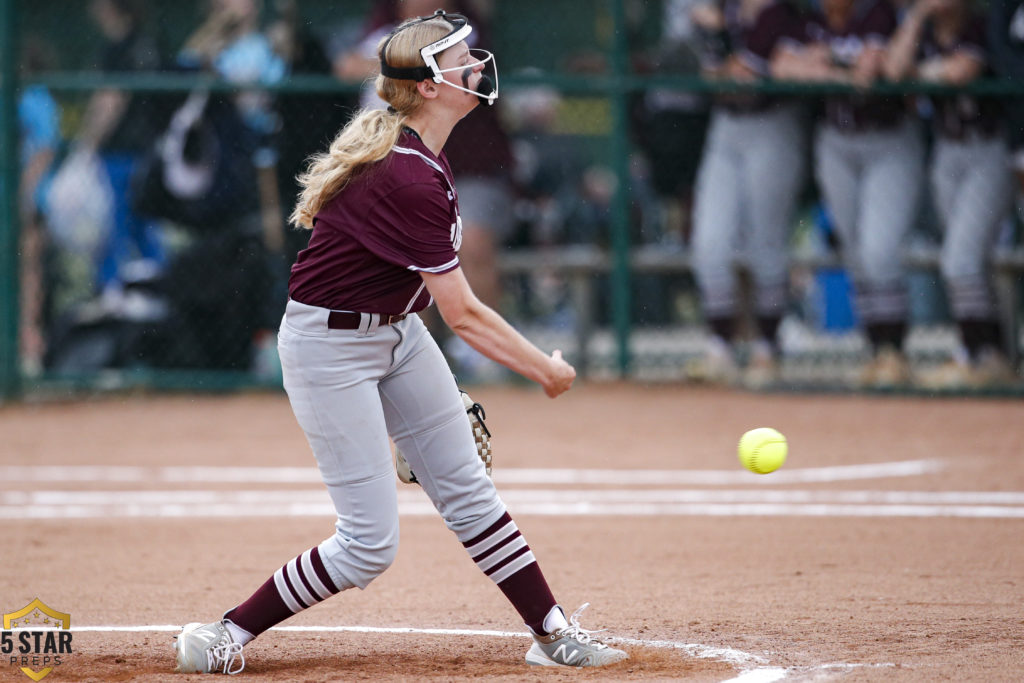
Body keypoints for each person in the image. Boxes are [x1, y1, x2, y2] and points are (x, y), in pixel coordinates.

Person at [173, 11, 629, 674]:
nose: (476, 67)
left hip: (396, 332)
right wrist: (544, 370)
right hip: (328, 347)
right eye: (461, 62)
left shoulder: (422, 156)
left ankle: (553, 633)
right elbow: (466, 315)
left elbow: (438, 306)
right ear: (430, 87)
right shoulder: (408, 173)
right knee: (367, 546)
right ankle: (227, 633)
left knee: (468, 490)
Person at [335, 0, 516, 382]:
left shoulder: (463, 29)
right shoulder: (380, 27)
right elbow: (346, 66)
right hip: (396, 169)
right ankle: (423, 360)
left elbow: (439, 67)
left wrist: (385, 67)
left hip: (469, 167)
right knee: (402, 258)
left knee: (474, 245)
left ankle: (485, 358)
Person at [775, 0, 925, 388]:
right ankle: (877, 351)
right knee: (856, 252)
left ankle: (894, 351)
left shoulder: (877, 13)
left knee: (880, 248)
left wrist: (826, 67)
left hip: (888, 140)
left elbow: (872, 69)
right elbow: (782, 66)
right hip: (837, 143)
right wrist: (835, 69)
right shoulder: (811, 21)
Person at [884, 0, 1017, 388]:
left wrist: (920, 74)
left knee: (961, 257)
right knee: (963, 258)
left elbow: (963, 70)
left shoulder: (978, 26)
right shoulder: (924, 31)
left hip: (988, 149)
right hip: (947, 151)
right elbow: (894, 72)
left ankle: (977, 353)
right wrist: (915, 17)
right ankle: (987, 354)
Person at [686, 0, 810, 388]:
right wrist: (721, 49)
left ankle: (766, 348)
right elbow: (713, 75)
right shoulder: (729, 10)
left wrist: (720, 44)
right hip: (727, 126)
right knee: (709, 240)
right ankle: (720, 346)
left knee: (766, 241)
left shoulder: (785, 13)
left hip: (772, 125)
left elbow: (742, 74)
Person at [76, 0, 166, 304]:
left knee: (113, 230)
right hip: (146, 153)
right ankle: (161, 290)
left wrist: (85, 146)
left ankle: (109, 296)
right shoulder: (148, 44)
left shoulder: (119, 48)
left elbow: (110, 102)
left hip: (119, 155)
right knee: (144, 230)